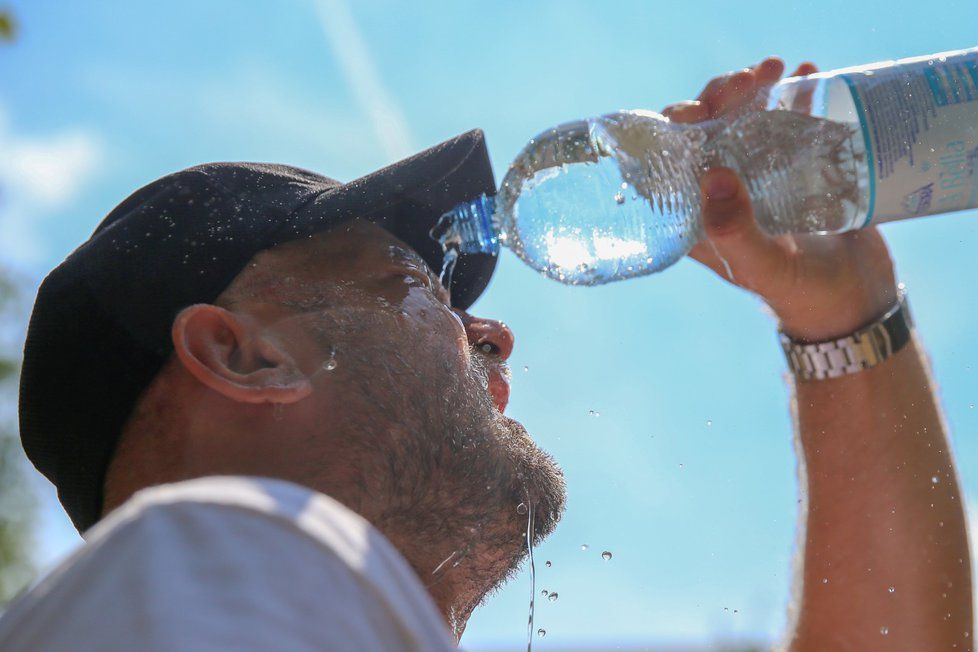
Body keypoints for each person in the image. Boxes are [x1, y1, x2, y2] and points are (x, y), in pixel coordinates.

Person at [1, 58, 971, 651]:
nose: (497, 335)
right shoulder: (219, 548)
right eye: (411, 283)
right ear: (243, 356)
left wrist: (846, 315)